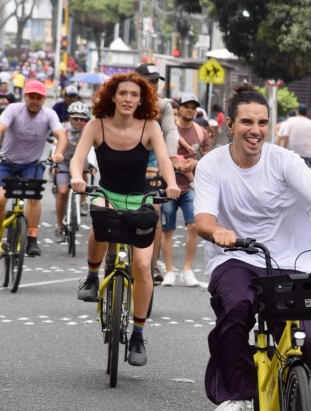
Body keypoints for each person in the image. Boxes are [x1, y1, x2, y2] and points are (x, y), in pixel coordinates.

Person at [192, 83, 311, 411]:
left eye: (261, 122)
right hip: (236, 257)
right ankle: (238, 399)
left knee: (309, 343)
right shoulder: (212, 165)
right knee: (236, 308)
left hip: (293, 260)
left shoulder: (285, 161)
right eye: (246, 122)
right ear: (230, 124)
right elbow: (202, 220)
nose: (254, 130)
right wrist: (218, 233)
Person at [72, 73, 180, 367]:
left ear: (141, 100)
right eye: (123, 94)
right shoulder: (97, 125)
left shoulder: (150, 127)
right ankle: (93, 277)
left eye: (135, 95)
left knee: (143, 266)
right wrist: (76, 177)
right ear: (113, 97)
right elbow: (78, 158)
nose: (129, 99)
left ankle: (138, 335)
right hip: (105, 191)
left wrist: (171, 184)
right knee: (99, 216)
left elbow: (166, 160)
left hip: (140, 197)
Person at [0, 80, 66, 263]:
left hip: (32, 164)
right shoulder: (13, 109)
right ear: (25, 96)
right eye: (31, 97)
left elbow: (61, 135)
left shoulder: (49, 114)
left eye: (39, 98)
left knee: (34, 199)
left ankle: (32, 238)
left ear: (44, 99)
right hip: (7, 163)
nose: (35, 101)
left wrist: (59, 153)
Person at [133, 63, 180, 285]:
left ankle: (151, 267)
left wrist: (170, 160)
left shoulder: (163, 106)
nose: (152, 86)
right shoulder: (123, 101)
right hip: (119, 161)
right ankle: (106, 266)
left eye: (155, 81)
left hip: (151, 163)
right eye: (148, 81)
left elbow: (170, 132)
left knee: (155, 209)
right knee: (108, 209)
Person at [161, 93, 212, 287]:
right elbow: (158, 154)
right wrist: (173, 164)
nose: (190, 109)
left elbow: (209, 159)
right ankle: (169, 271)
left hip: (190, 187)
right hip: (168, 186)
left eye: (194, 106)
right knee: (168, 230)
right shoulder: (168, 129)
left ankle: (187, 270)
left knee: (194, 226)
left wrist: (195, 162)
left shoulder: (201, 132)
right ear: (179, 108)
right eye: (186, 106)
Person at [53, 101, 94, 242]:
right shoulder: (63, 129)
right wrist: (55, 163)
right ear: (69, 117)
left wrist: (92, 165)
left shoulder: (88, 130)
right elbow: (56, 147)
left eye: (82, 119)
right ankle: (59, 226)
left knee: (83, 168)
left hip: (80, 160)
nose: (78, 121)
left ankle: (83, 200)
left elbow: (92, 151)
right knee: (63, 192)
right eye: (75, 118)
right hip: (64, 161)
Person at [277, 103, 311, 168]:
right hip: (306, 154)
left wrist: (284, 150)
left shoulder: (290, 121)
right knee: (302, 176)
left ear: (297, 111)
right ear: (307, 113)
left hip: (291, 153)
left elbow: (285, 137)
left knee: (289, 174)